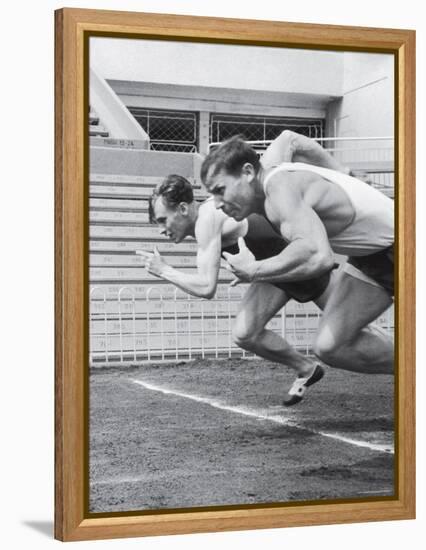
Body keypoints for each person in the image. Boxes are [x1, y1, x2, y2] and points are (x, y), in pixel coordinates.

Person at [200, 135, 394, 376]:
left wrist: (253, 270)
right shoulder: (268, 180)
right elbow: (289, 138)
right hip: (369, 257)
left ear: (248, 172)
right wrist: (344, 173)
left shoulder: (279, 187)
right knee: (329, 347)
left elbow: (318, 256)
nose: (217, 204)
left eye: (220, 190)